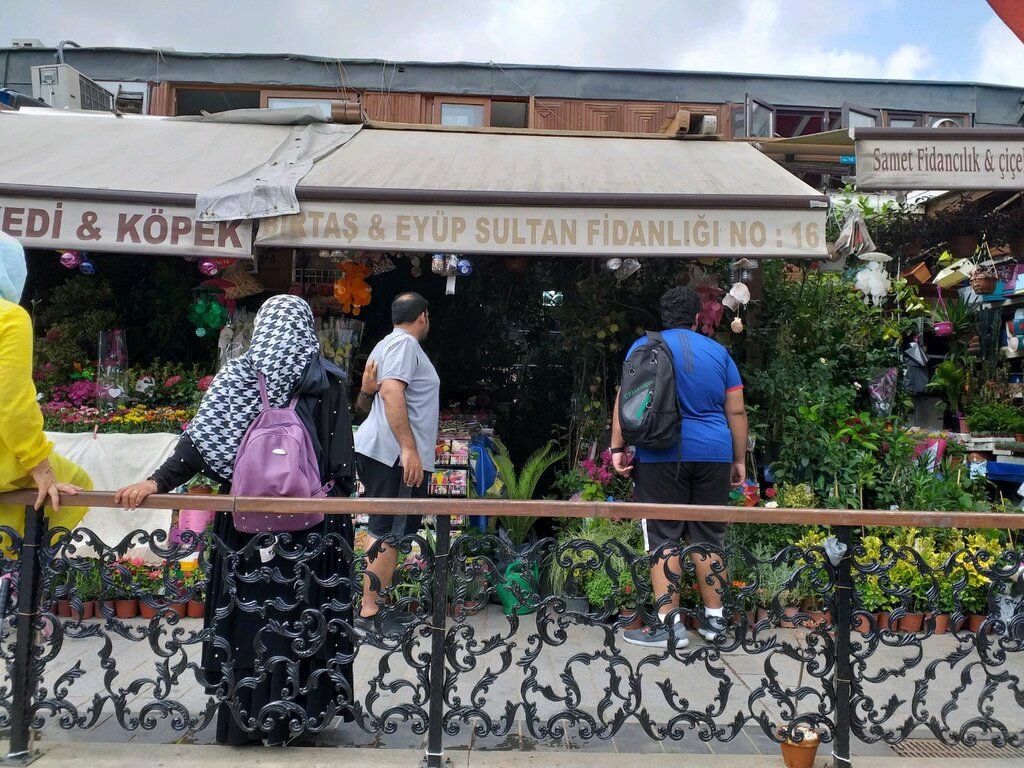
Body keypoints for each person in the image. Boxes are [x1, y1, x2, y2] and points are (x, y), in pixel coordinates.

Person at [115, 294, 357, 746]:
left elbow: (198, 446)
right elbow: (341, 466)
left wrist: (155, 481)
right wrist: (337, 522)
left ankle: (245, 717)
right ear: (307, 330)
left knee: (248, 618)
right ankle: (300, 717)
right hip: (310, 528)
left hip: (245, 525)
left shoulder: (238, 376)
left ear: (261, 328)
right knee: (303, 616)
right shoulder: (327, 382)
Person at [611, 285, 747, 649]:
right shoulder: (718, 352)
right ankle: (715, 623)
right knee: (708, 536)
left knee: (663, 537)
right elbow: (735, 410)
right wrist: (738, 459)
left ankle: (670, 627)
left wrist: (618, 447)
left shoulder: (644, 347)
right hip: (714, 453)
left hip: (660, 453)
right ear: (698, 317)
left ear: (663, 316)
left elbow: (626, 399)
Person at [353, 292, 439, 638]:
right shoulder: (405, 345)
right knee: (389, 532)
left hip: (378, 450)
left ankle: (371, 604)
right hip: (394, 456)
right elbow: (390, 391)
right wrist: (409, 449)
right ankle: (369, 611)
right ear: (423, 317)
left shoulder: (383, 345)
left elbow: (365, 403)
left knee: (383, 529)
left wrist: (364, 391)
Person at [0, 232, 90, 550]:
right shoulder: (9, 317)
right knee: (73, 484)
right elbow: (12, 401)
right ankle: (17, 564)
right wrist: (39, 465)